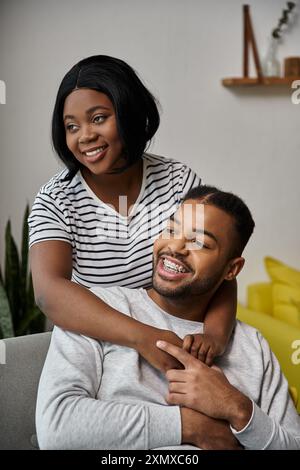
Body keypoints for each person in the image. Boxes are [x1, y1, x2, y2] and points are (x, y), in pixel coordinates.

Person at [36, 185, 300, 450]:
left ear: (232, 269)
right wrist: (188, 426)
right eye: (171, 230)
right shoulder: (94, 312)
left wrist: (238, 408)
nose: (175, 247)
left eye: (200, 243)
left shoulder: (251, 345)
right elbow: (56, 428)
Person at [28, 55, 237, 371]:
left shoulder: (178, 181)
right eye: (72, 126)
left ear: (129, 113)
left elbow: (217, 269)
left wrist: (216, 337)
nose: (84, 136)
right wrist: (143, 338)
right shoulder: (55, 199)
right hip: (98, 348)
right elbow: (49, 293)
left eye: (98, 118)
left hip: (176, 342)